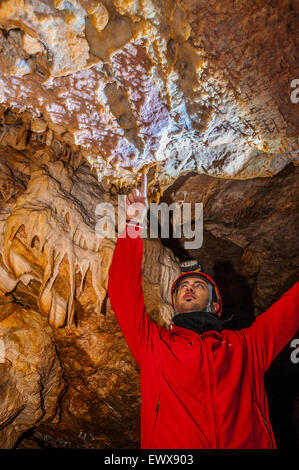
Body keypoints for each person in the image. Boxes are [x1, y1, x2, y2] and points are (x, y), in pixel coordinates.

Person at [107, 172, 299, 449]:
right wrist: (133, 224)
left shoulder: (247, 346)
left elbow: (291, 308)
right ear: (173, 303)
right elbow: (123, 293)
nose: (189, 288)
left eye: (198, 285)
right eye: (183, 286)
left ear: (216, 304)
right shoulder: (155, 347)